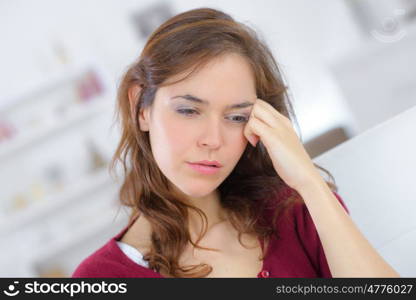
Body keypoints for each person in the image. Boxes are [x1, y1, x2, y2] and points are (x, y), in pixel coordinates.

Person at [72, 7, 400, 278]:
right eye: (188, 110)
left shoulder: (297, 210)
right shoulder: (100, 277)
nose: (213, 140)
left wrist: (310, 183)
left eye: (236, 117)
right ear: (140, 106)